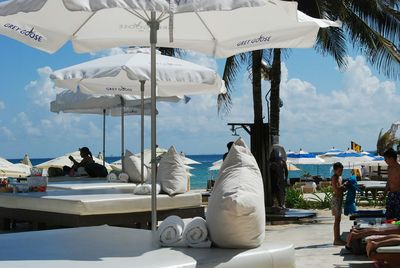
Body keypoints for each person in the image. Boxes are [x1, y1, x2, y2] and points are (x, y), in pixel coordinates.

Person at [331, 162, 348, 245]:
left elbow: (340, 187)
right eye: (339, 171)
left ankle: (338, 238)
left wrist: (344, 185)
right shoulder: (334, 178)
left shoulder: (339, 177)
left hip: (339, 199)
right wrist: (344, 187)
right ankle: (336, 239)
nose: (341, 172)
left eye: (342, 171)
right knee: (337, 220)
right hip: (336, 199)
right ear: (335, 170)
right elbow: (337, 189)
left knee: (338, 219)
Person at [383, 148, 400, 220]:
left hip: (399, 195)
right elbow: (389, 181)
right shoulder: (389, 168)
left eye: (386, 159)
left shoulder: (399, 168)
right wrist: (384, 193)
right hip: (391, 194)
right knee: (389, 217)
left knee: (398, 218)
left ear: (392, 158)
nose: (385, 161)